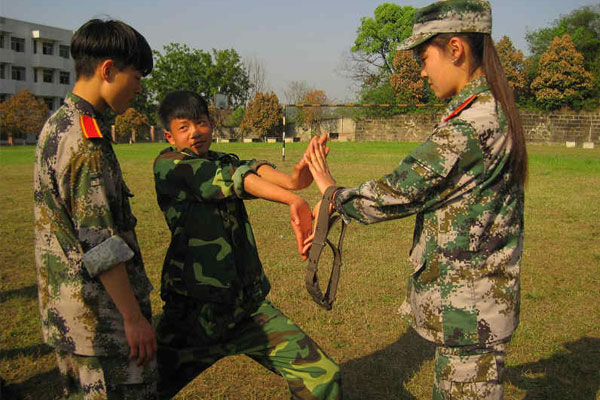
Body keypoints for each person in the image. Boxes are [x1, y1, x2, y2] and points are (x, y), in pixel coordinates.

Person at [304, 1, 527, 399]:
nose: (422, 71)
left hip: (469, 313)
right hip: (479, 306)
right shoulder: (492, 110)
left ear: (455, 49)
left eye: (425, 57)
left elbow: (397, 192)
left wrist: (331, 193)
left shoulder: (470, 126)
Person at [153, 90, 342, 400]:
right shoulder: (170, 166)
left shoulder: (220, 159)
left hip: (246, 309)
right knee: (138, 389)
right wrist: (291, 199)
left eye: (201, 123)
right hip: (193, 317)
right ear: (169, 135)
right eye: (184, 127)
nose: (195, 132)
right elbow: (230, 178)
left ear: (212, 125)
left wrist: (295, 180)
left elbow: (249, 168)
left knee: (322, 375)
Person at [33, 19, 158, 399]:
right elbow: (100, 245)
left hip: (71, 316)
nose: (139, 87)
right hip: (102, 325)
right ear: (108, 70)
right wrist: (133, 318)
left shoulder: (58, 124)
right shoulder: (85, 142)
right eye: (136, 76)